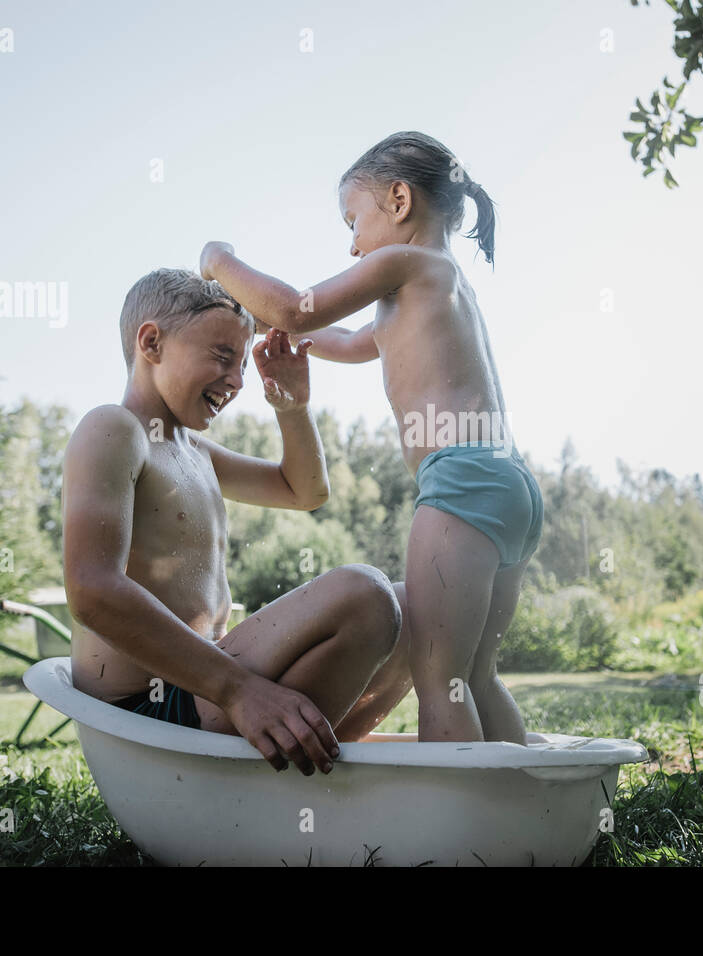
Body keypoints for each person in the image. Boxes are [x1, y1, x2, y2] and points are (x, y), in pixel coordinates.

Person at [200, 131, 542, 743]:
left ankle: (461, 835)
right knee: (475, 677)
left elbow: (300, 310)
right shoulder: (438, 285)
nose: (352, 244)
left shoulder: (405, 263)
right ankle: (528, 813)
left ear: (400, 200)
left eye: (354, 220)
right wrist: (261, 324)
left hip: (459, 482)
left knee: (439, 680)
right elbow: (335, 339)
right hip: (508, 487)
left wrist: (218, 262)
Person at [63, 267, 406, 776]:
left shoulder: (193, 449)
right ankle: (288, 766)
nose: (238, 380)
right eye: (222, 357)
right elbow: (91, 589)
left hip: (210, 692)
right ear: (151, 343)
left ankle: (320, 759)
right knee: (364, 594)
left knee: (411, 605)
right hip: (156, 716)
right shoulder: (114, 429)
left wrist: (292, 404)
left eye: (243, 363)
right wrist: (239, 689)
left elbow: (304, 491)